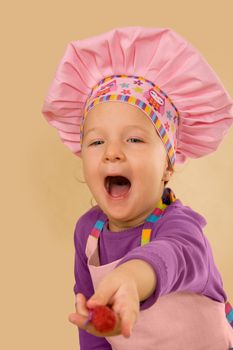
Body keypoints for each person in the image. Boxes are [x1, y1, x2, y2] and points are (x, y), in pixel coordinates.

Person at [42, 27, 233, 349]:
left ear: (168, 165)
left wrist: (131, 278)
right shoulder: (87, 232)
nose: (112, 151)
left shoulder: (182, 228)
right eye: (97, 141)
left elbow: (172, 255)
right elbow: (92, 321)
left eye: (134, 139)